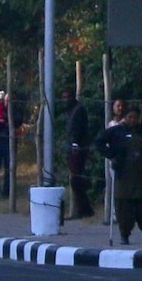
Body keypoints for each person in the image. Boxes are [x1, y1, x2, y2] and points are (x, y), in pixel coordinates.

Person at [94, 105, 142, 244]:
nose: (133, 120)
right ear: (125, 117)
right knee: (124, 207)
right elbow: (98, 142)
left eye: (135, 117)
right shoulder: (116, 132)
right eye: (130, 117)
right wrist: (112, 155)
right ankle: (124, 235)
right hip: (123, 175)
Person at [61, 86, 95, 218]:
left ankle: (84, 208)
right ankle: (83, 207)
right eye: (63, 97)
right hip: (72, 146)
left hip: (77, 147)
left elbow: (79, 128)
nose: (65, 100)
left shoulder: (78, 109)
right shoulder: (71, 110)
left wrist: (75, 143)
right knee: (75, 178)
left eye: (67, 97)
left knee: (76, 178)